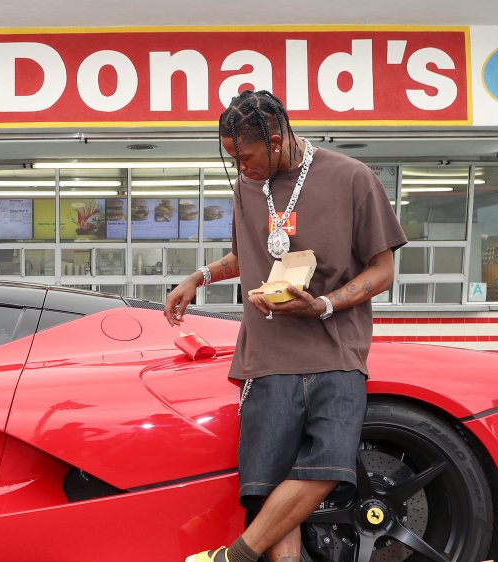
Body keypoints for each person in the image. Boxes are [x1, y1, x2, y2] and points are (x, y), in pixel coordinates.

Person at [166, 90, 407, 562]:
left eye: (247, 157)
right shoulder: (246, 189)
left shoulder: (352, 179)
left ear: (277, 140)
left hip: (335, 351)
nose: (240, 168)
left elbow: (383, 270)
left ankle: (234, 558)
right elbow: (248, 256)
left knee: (328, 466)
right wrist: (199, 277)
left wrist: (322, 305)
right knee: (266, 483)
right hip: (266, 355)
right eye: (232, 157)